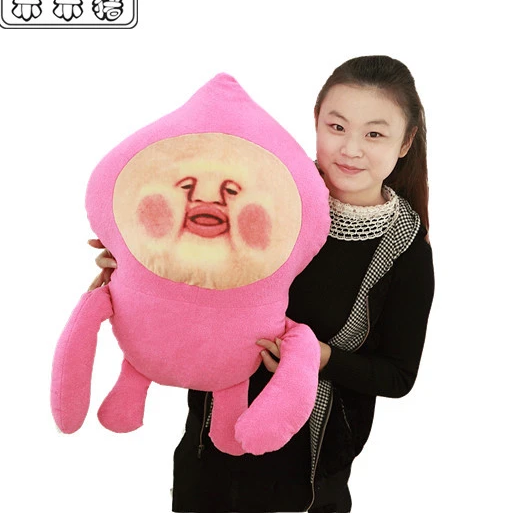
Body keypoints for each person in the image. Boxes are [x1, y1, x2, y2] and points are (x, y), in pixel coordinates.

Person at [89, 55, 434, 513]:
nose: (351, 149)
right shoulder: (264, 193)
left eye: (374, 134)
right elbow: (193, 273)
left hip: (309, 474)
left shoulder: (404, 247)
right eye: (336, 127)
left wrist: (319, 357)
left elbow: (398, 375)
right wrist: (137, 265)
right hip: (207, 453)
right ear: (316, 122)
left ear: (405, 141)